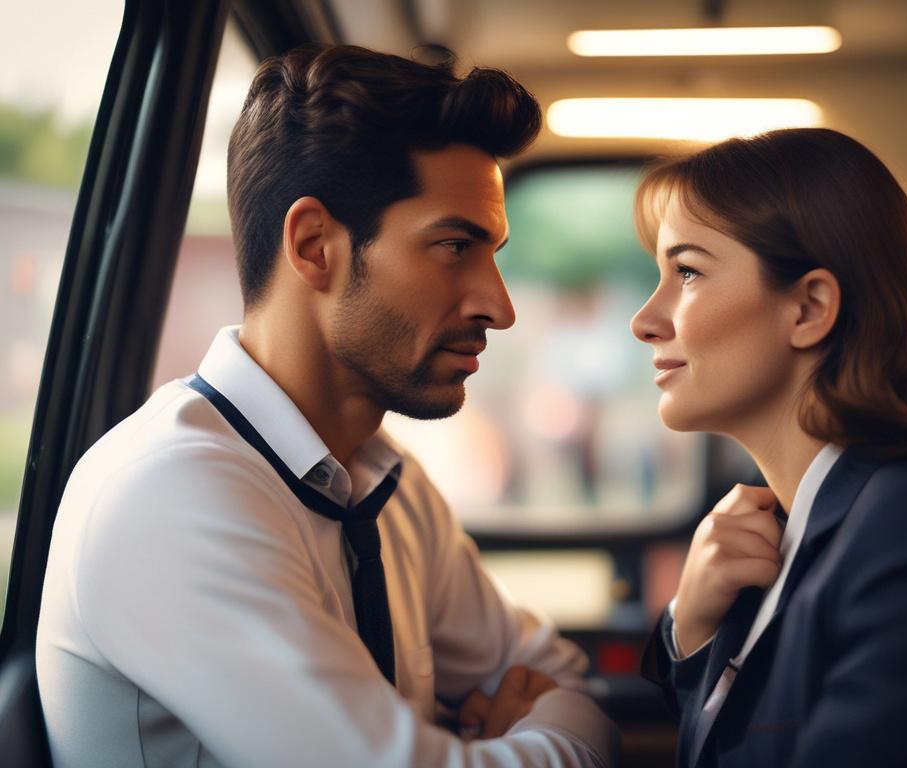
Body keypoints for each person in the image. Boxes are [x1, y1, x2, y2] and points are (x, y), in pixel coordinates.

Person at [35, 44, 618, 767]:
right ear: (315, 246)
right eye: (454, 246)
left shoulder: (384, 482)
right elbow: (565, 709)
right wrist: (558, 733)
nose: (499, 307)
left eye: (492, 253)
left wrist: (522, 732)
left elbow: (559, 675)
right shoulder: (173, 491)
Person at [631, 128, 907, 767]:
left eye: (688, 272)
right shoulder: (793, 530)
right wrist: (691, 629)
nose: (645, 320)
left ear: (810, 308)